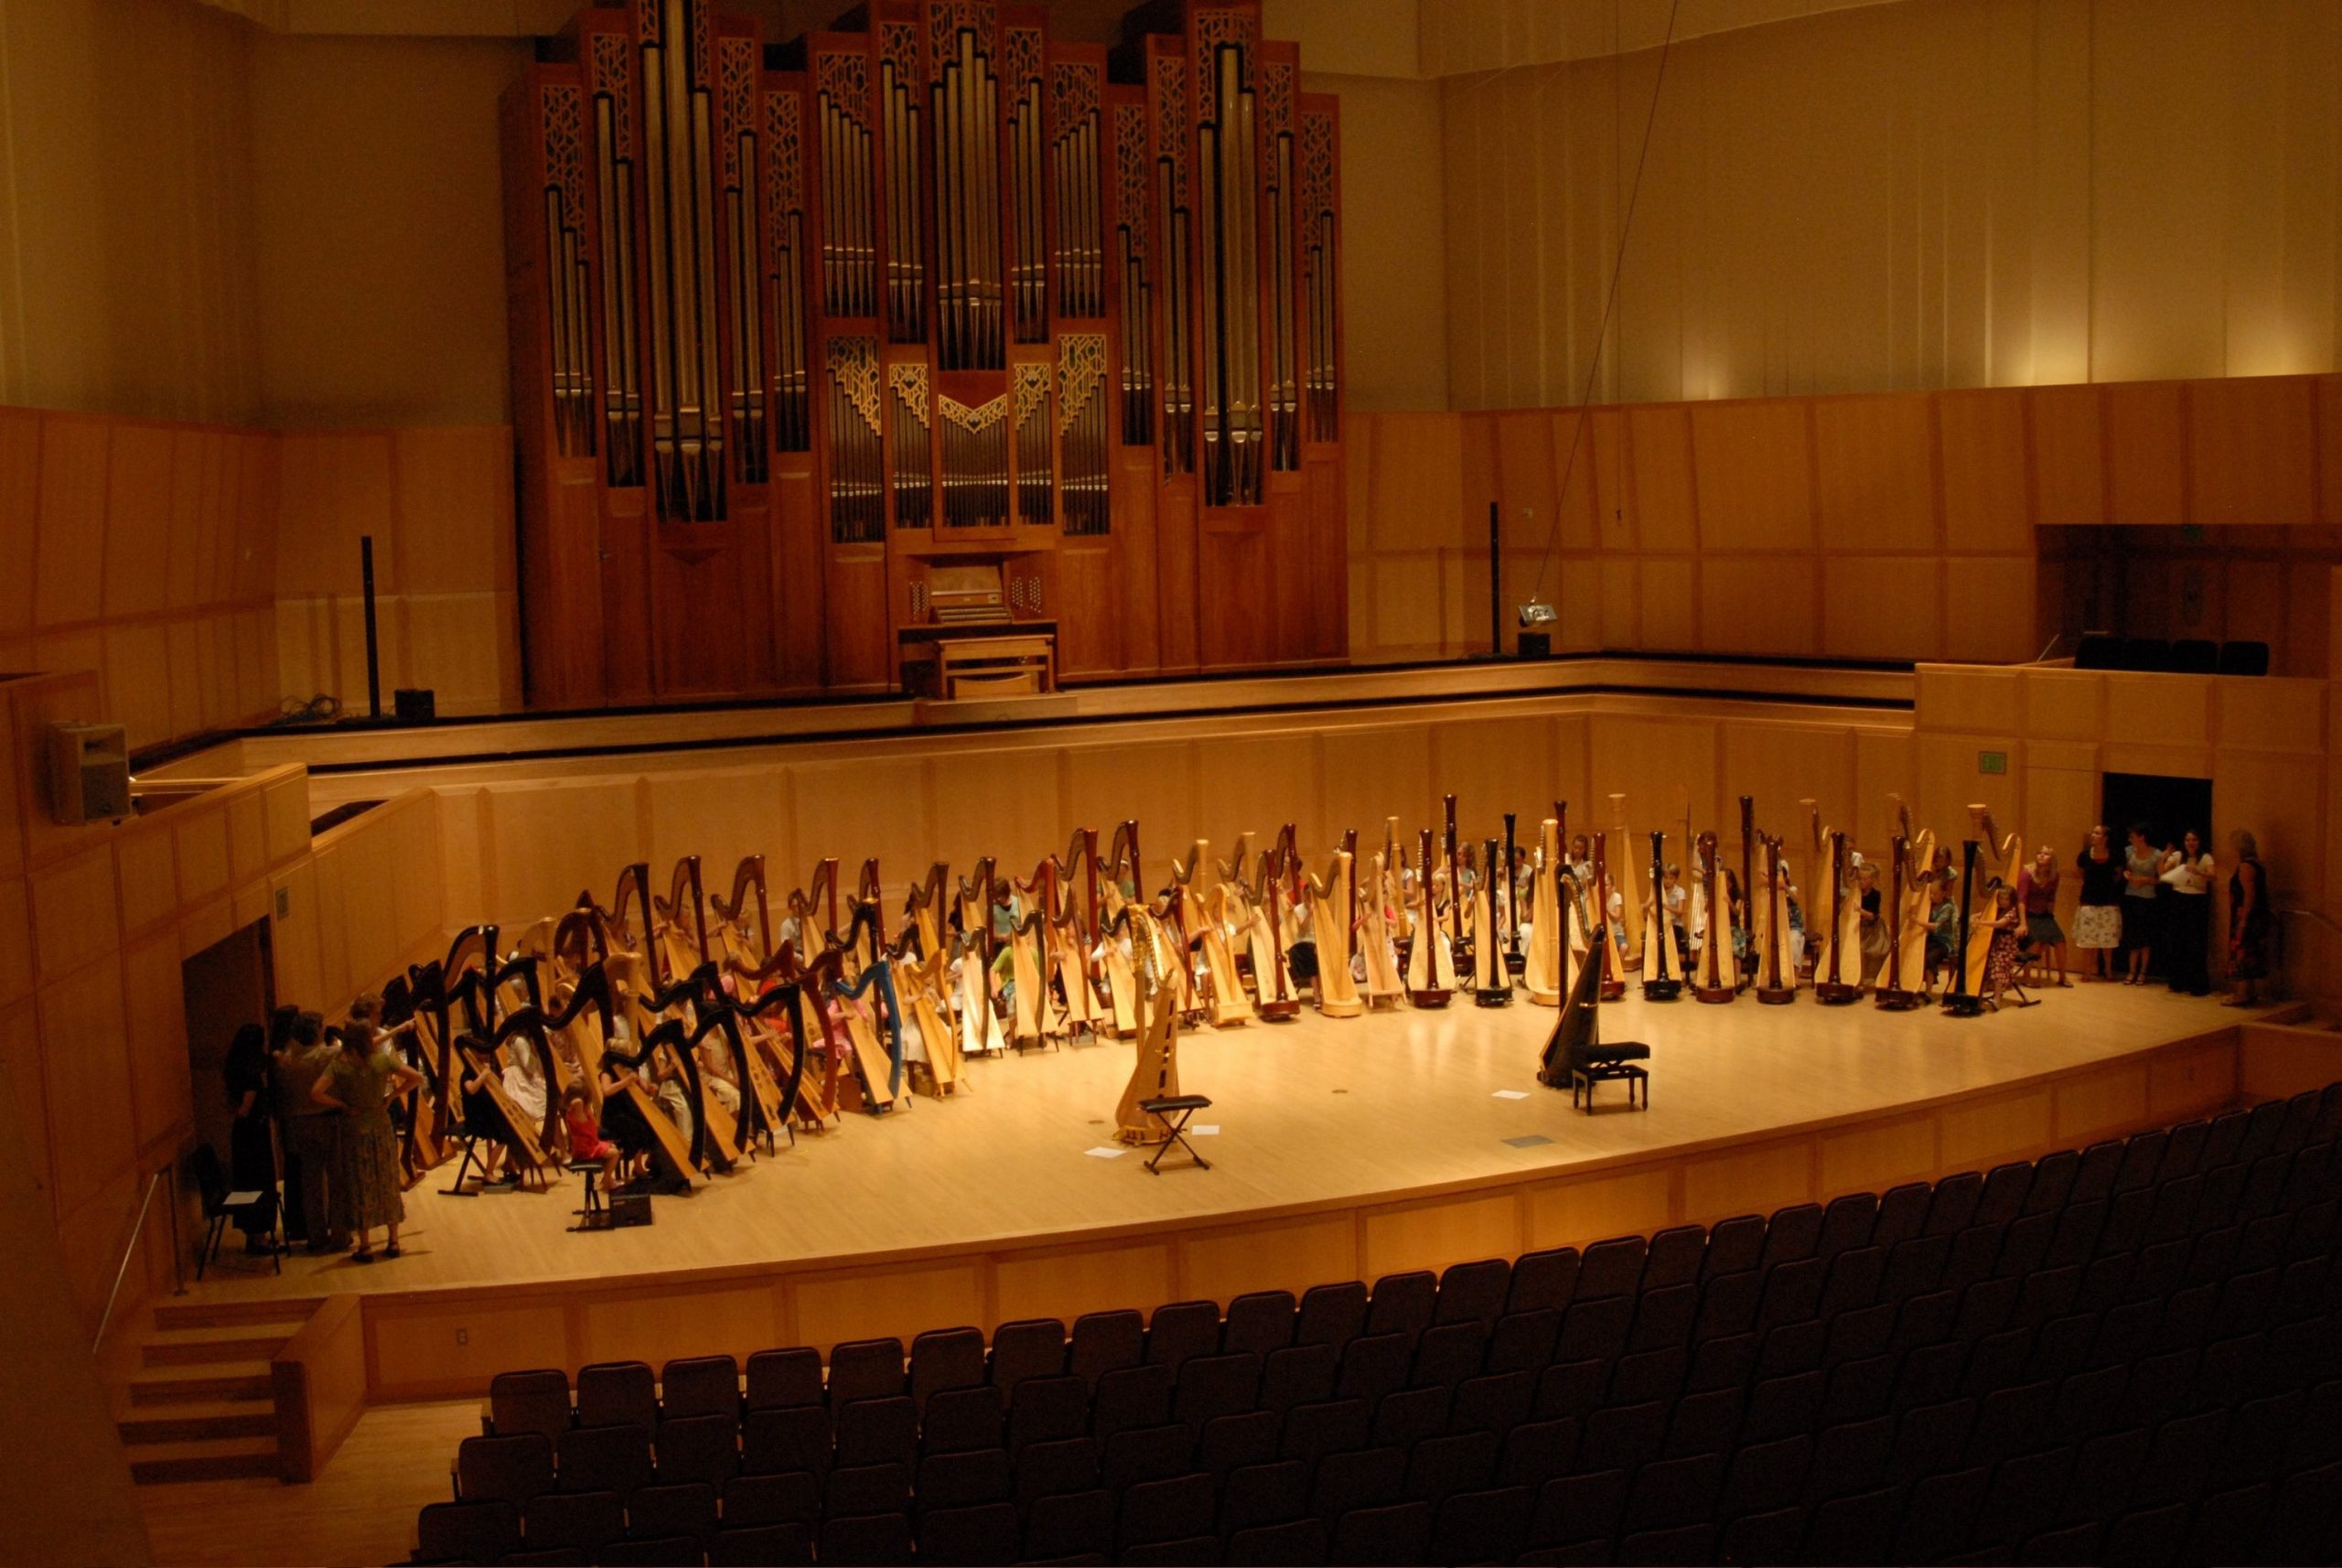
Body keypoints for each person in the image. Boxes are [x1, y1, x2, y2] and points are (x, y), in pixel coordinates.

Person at [311, 1022, 421, 1262]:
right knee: (387, 1180)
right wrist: (392, 1096)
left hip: (355, 1129)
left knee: (360, 1183)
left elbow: (316, 1092)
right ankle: (393, 1240)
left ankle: (366, 1245)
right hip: (381, 1126)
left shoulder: (340, 1065)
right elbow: (416, 1077)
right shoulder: (381, 1062)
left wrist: (341, 1105)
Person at [274, 1011, 345, 1253]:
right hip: (327, 1121)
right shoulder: (327, 1054)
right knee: (337, 1180)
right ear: (316, 1031)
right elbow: (356, 1049)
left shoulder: (286, 1060)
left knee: (311, 1183)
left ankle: (316, 1237)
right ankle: (339, 1234)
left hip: (299, 1124)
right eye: (322, 1027)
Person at [221, 1022, 278, 1251]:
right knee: (259, 1180)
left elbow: (232, 1106)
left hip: (242, 1132)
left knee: (247, 1181)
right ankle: (258, 1237)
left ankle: (253, 1235)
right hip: (254, 1131)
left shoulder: (233, 1066)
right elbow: (246, 1108)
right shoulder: (253, 1073)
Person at [2159, 830, 2214, 996]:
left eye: (2194, 839)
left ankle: (2197, 985)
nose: (2190, 842)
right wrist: (2163, 857)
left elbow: (2213, 875)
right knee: (2177, 940)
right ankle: (2177, 982)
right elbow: (2163, 874)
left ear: (2199, 842)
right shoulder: (2177, 856)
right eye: (2188, 839)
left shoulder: (2206, 857)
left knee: (2195, 942)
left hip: (2197, 900)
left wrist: (2198, 872)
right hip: (2178, 899)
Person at [2226, 831, 2272, 1006]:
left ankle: (2242, 994)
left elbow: (2249, 895)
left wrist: (2243, 919)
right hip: (2255, 916)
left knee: (2242, 952)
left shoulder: (2246, 866)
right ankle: (2250, 992)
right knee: (2250, 953)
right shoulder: (2257, 864)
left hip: (2247, 916)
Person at [2072, 826, 2123, 981]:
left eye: (2097, 833)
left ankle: (2108, 970)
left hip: (2108, 901)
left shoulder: (2115, 855)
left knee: (2107, 941)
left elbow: (2117, 876)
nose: (2093, 835)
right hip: (2088, 900)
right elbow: (2081, 874)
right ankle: (2086, 971)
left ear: (2105, 837)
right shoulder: (2084, 856)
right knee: (2088, 940)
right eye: (2093, 833)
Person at [2016, 847, 2068, 987]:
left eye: (2046, 854)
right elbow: (2022, 899)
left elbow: (2052, 898)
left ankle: (2062, 976)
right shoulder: (2027, 873)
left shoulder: (2054, 876)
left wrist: (2051, 917)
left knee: (2060, 940)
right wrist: (2022, 923)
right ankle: (2027, 976)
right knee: (2035, 941)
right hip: (2028, 916)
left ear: (2052, 859)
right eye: (2039, 853)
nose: (2041, 856)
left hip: (2045, 916)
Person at [2119, 824, 2164, 984]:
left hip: (2148, 898)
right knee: (2132, 935)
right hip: (2131, 896)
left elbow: (2162, 878)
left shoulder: (2156, 854)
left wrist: (2145, 880)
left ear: (2142, 837)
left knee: (2145, 937)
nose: (2130, 839)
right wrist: (2127, 874)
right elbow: (2126, 870)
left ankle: (2143, 972)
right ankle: (2131, 972)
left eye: (2133, 836)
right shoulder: (2129, 851)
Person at [561, 1083, 619, 1187]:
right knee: (615, 1154)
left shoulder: (583, 1110)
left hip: (592, 1143)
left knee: (612, 1146)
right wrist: (580, 1094)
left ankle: (607, 1177)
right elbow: (577, 1101)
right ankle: (606, 1180)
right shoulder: (577, 1110)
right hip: (585, 1148)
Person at [1982, 883, 2023, 1009]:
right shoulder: (1996, 910)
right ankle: (1994, 992)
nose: (2003, 902)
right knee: (1990, 965)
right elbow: (1982, 915)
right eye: (2001, 899)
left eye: (2006, 899)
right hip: (1997, 945)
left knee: (1998, 967)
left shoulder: (2013, 912)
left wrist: (1981, 922)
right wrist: (1974, 917)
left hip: (2007, 948)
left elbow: (2000, 924)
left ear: (2012, 900)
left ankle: (1997, 999)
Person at [1855, 861, 1890, 983]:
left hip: (1873, 929)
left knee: (1870, 950)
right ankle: (1856, 978)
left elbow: (1872, 916)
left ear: (1871, 880)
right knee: (1855, 949)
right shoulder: (1855, 893)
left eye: (1865, 879)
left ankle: (1864, 979)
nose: (1861, 882)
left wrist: (1860, 910)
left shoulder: (1875, 895)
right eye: (1860, 879)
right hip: (1858, 927)